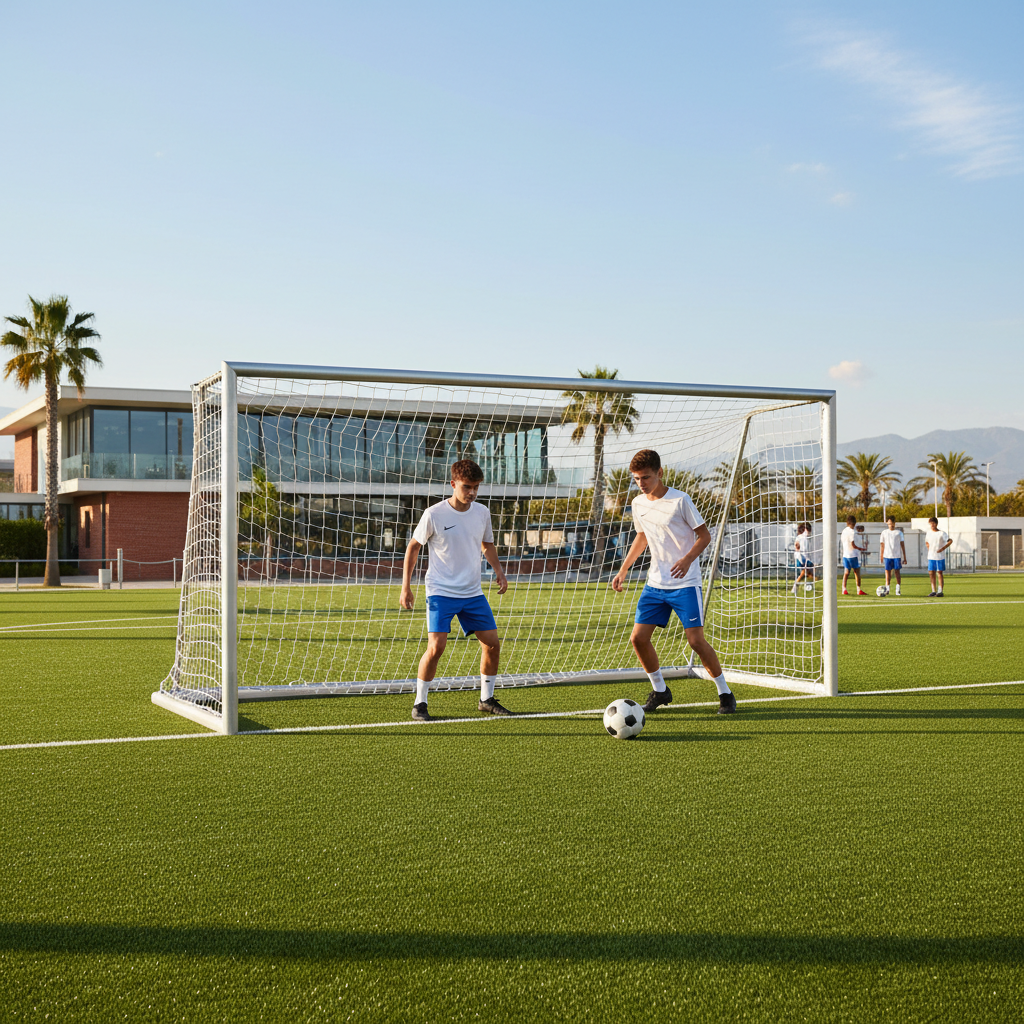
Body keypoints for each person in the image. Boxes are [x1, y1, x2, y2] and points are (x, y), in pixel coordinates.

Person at [611, 448, 736, 715]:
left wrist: (688, 559)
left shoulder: (681, 501)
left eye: (645, 477)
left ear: (660, 473)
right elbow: (642, 537)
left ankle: (725, 693)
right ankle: (660, 691)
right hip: (655, 584)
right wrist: (623, 570)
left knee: (695, 641)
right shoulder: (638, 503)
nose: (641, 483)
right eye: (636, 479)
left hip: (685, 583)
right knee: (638, 639)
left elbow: (704, 536)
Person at [400, 459, 510, 721]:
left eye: (476, 487)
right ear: (453, 484)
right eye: (467, 487)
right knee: (436, 647)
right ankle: (420, 704)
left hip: (472, 592)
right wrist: (406, 587)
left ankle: (486, 699)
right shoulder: (434, 514)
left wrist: (498, 570)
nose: (472, 492)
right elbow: (413, 547)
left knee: (492, 644)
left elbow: (487, 544)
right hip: (440, 591)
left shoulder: (482, 512)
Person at [879, 516, 907, 596]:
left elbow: (902, 545)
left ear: (895, 523)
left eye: (892, 523)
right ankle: (887, 588)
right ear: (887, 523)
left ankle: (898, 589)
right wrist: (881, 555)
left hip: (896, 556)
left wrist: (904, 557)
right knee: (887, 572)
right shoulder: (884, 532)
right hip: (887, 556)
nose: (891, 525)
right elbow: (882, 545)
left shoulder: (899, 533)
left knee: (897, 572)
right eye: (889, 523)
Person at [925, 516, 952, 597]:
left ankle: (940, 591)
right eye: (931, 523)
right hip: (931, 556)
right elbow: (927, 542)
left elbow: (950, 541)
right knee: (931, 573)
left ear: (936, 524)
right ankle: (933, 590)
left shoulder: (942, 533)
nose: (932, 525)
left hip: (939, 556)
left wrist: (943, 548)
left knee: (939, 572)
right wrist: (930, 549)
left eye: (933, 523)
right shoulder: (928, 533)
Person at [840, 514, 867, 596]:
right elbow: (853, 545)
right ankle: (858, 590)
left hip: (845, 554)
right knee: (857, 572)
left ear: (847, 523)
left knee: (846, 572)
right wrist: (861, 549)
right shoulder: (852, 532)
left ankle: (844, 589)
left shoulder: (844, 531)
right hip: (853, 555)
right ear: (854, 523)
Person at [792, 522, 815, 594]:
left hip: (802, 557)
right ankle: (795, 586)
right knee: (804, 573)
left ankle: (807, 585)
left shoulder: (803, 537)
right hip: (801, 558)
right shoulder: (802, 537)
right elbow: (797, 545)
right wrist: (798, 549)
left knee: (809, 573)